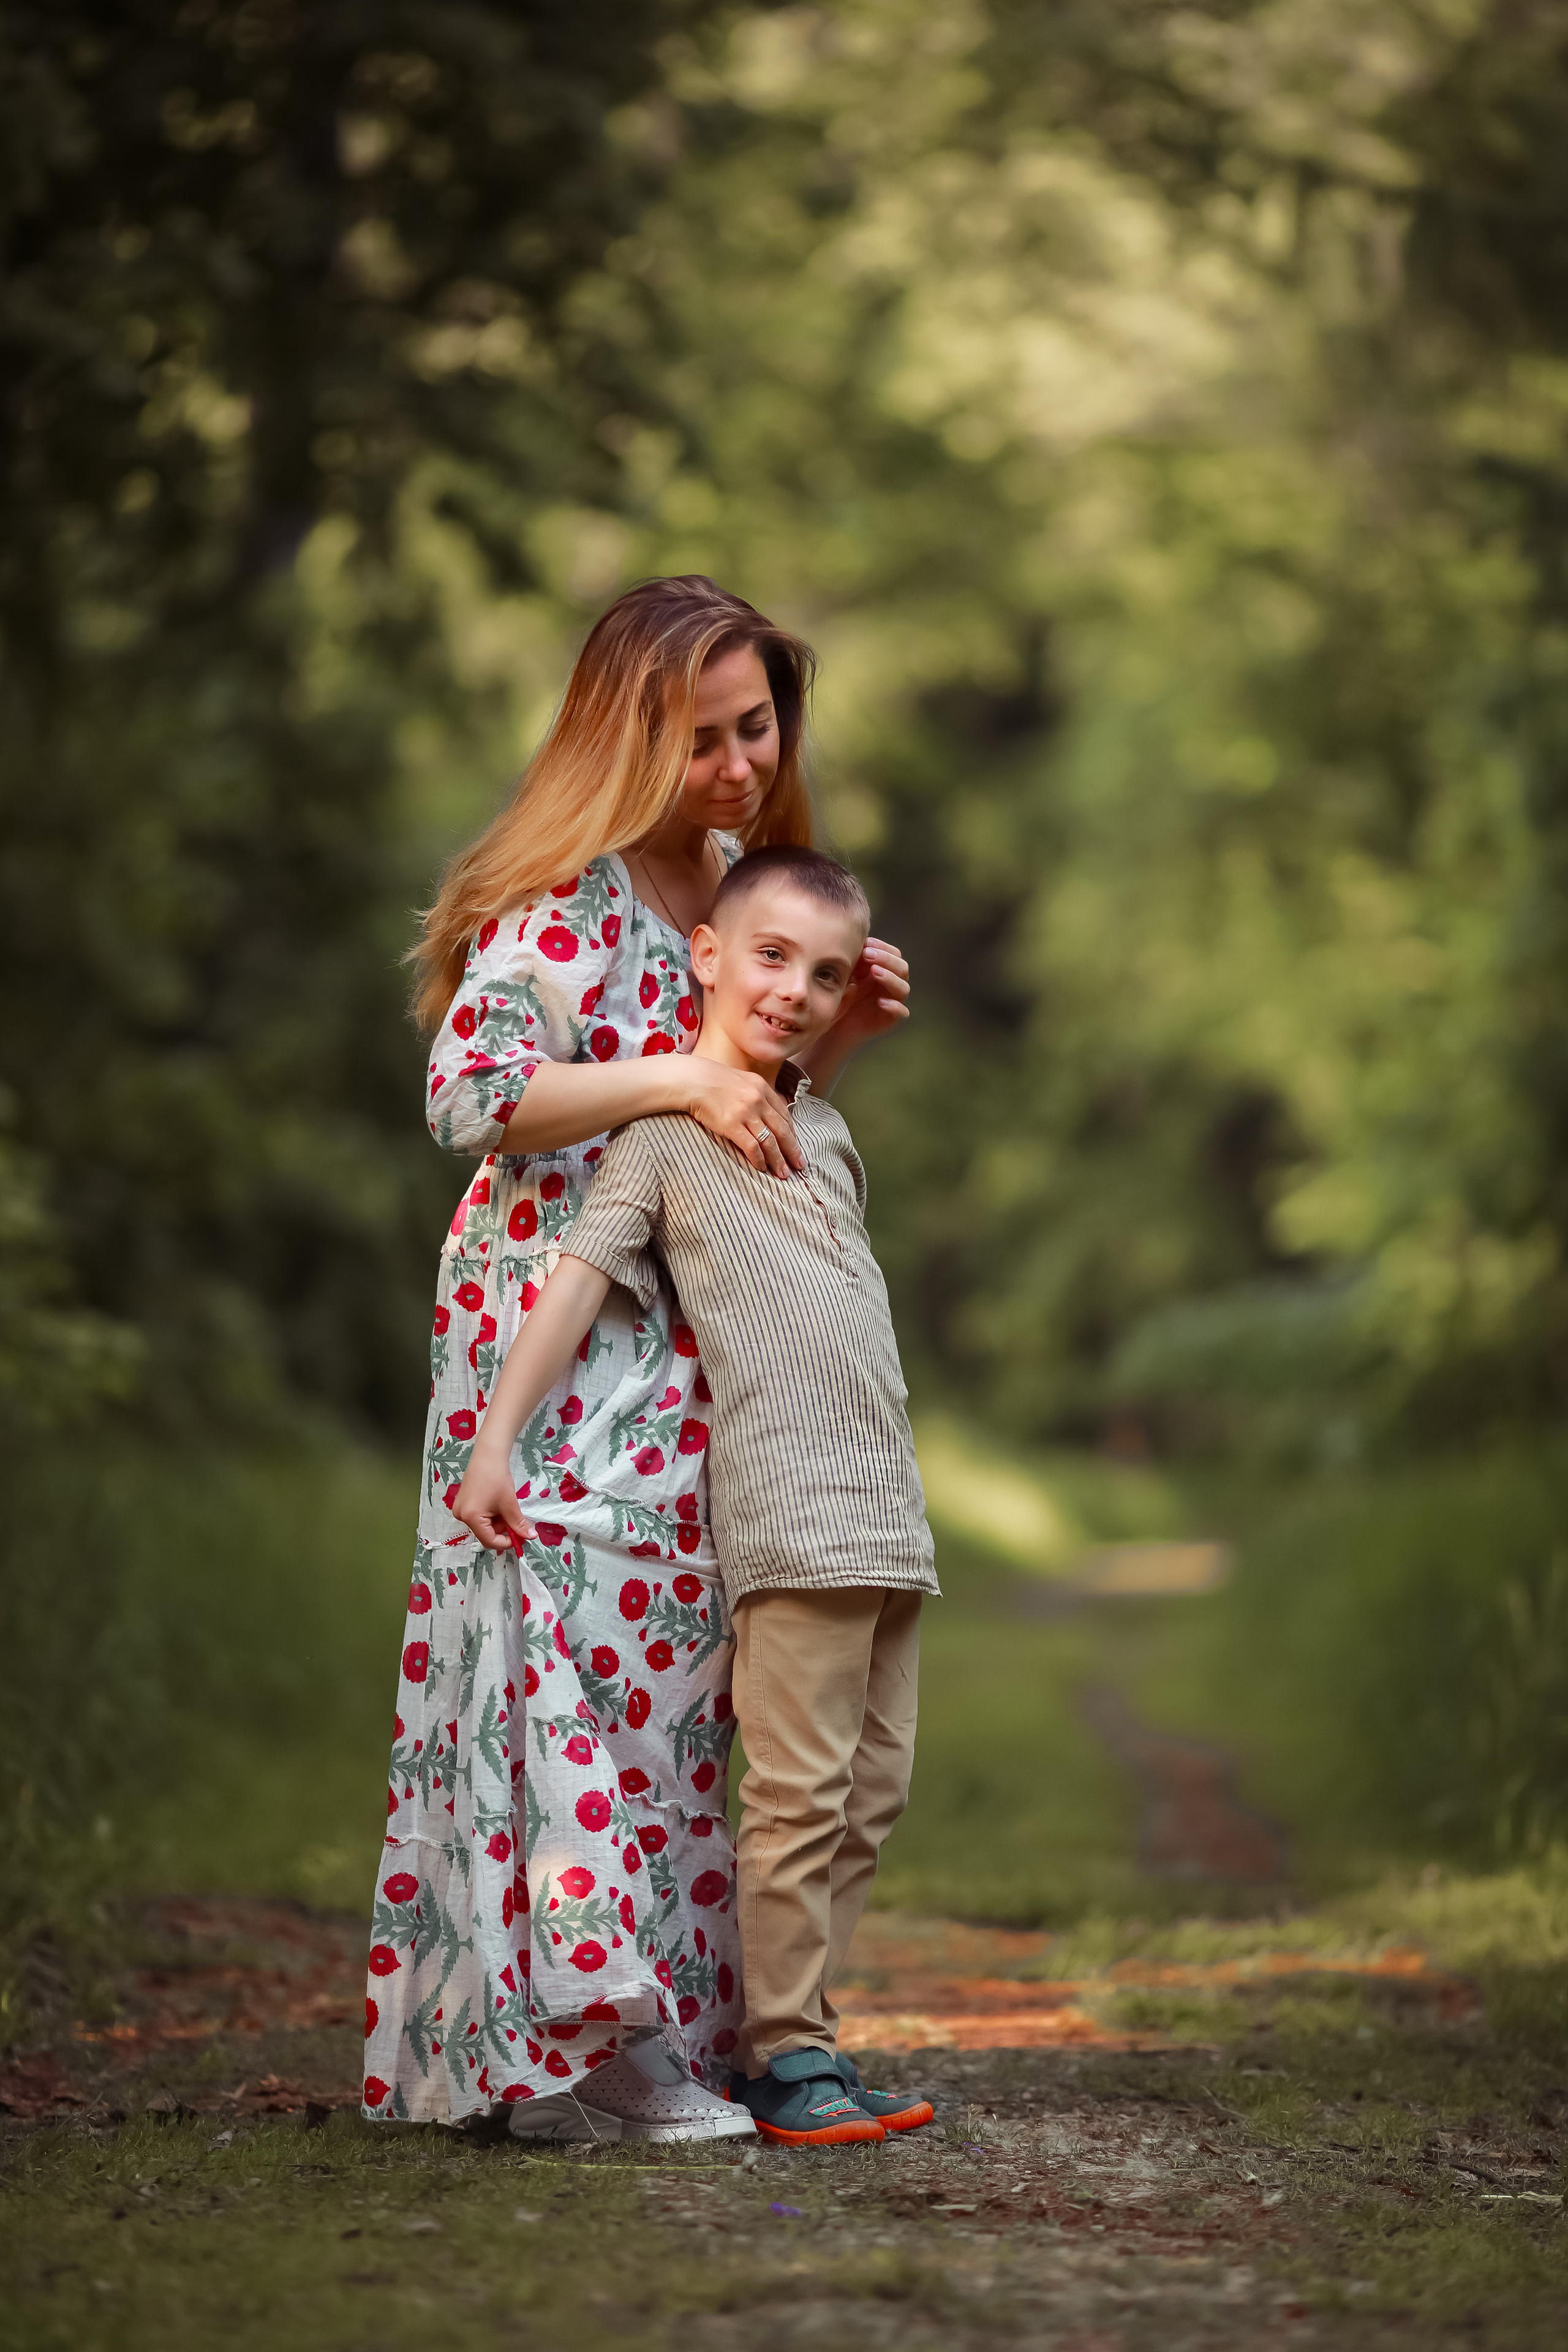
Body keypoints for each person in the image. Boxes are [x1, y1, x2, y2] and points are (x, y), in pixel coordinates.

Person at [361, 578, 911, 2141]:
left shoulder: (747, 887)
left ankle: (654, 2025)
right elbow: (468, 1102)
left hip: (693, 1334)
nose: (737, 765)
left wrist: (834, 1041)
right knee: (565, 1657)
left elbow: (757, 1118)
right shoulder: (562, 898)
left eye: (757, 728)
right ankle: (563, 2047)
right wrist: (670, 1068)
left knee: (677, 1681)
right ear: (623, 737)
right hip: (551, 1307)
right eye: (700, 739)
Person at [457, 844, 939, 2147]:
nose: (794, 988)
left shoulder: (823, 1132)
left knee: (867, 1798)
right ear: (706, 955)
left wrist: (832, 1063)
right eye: (771, 955)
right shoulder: (665, 1134)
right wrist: (493, 1439)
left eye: (825, 973)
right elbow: (575, 1275)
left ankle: (801, 2033)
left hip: (888, 1519)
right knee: (793, 1799)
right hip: (788, 1524)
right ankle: (789, 2061)